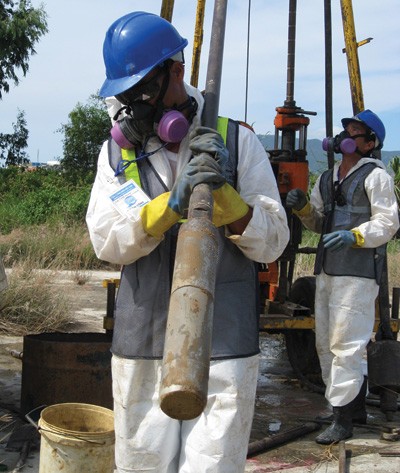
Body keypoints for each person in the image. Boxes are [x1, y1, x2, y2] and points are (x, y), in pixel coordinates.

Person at [86, 11, 289, 473]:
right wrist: (166, 209)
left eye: (142, 90)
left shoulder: (237, 142)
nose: (132, 105)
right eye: (125, 94)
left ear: (175, 72)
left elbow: (275, 240)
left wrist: (230, 204)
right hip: (144, 341)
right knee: (141, 464)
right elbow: (106, 240)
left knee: (213, 466)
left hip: (224, 346)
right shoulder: (117, 153)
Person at [286, 109, 399, 444]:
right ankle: (349, 407)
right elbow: (320, 223)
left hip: (358, 273)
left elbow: (388, 223)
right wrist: (303, 207)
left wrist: (357, 236)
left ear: (369, 142)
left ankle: (342, 420)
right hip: (328, 269)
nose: (348, 133)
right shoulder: (328, 177)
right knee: (325, 341)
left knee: (346, 343)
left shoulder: (375, 176)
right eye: (347, 127)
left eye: (356, 130)